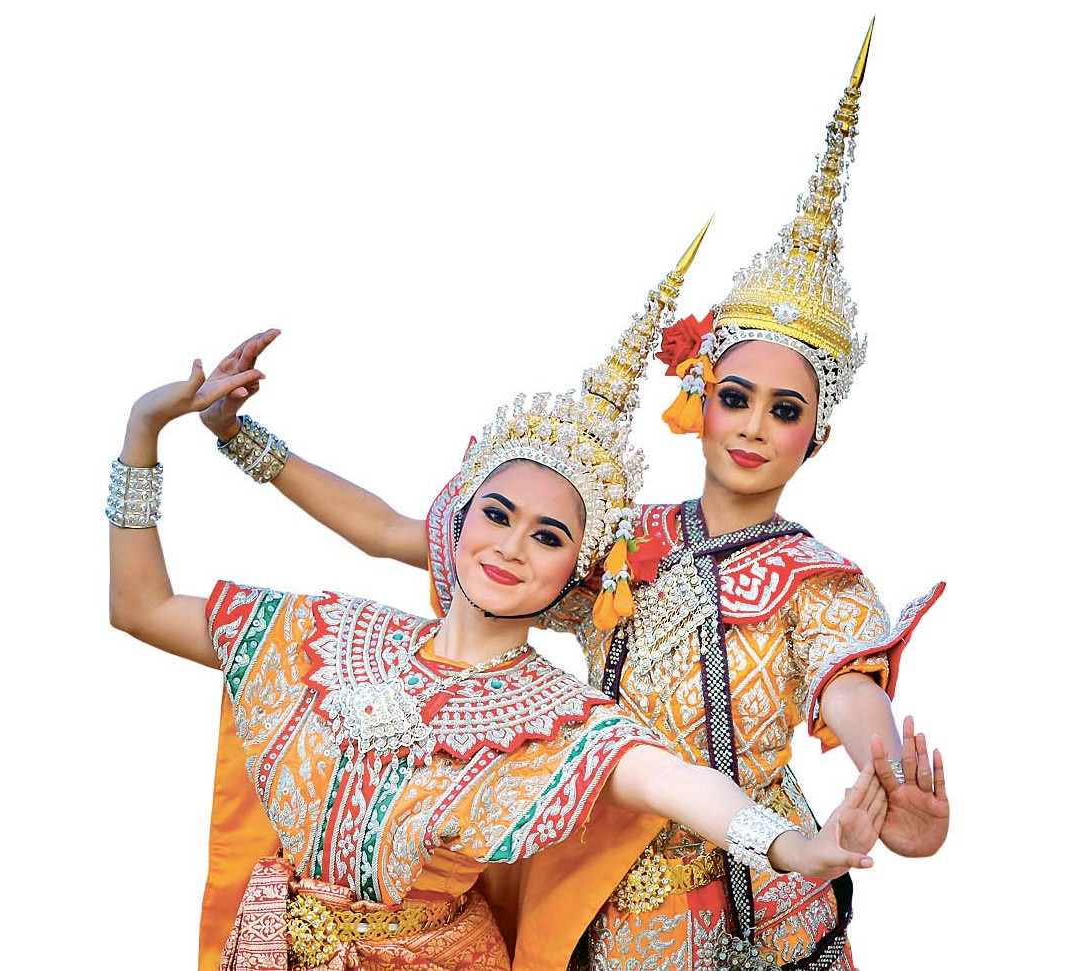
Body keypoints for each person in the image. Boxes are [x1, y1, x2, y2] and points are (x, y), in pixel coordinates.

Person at [197, 26, 952, 970]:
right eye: (736, 397)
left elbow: (848, 689)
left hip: (756, 892)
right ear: (699, 401)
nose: (754, 426)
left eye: (785, 410)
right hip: (602, 876)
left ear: (817, 436)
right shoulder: (611, 544)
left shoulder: (814, 579)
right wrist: (240, 439)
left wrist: (887, 777)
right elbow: (393, 531)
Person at [106, 234, 900, 971]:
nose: (513, 547)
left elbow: (688, 774)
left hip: (722, 894)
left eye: (548, 537)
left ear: (574, 576)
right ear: (457, 523)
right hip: (532, 901)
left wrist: (828, 824)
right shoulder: (333, 638)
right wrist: (181, 432)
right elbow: (364, 534)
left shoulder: (562, 722)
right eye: (495, 515)